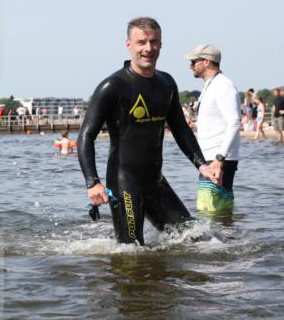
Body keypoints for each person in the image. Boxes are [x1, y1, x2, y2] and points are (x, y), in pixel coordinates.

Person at [77, 17, 218, 245]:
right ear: (128, 45)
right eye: (141, 42)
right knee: (131, 253)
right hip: (124, 183)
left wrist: (202, 164)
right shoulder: (113, 86)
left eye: (153, 42)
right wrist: (92, 182)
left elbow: (181, 128)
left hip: (156, 182)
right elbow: (86, 136)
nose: (148, 49)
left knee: (197, 239)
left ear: (161, 44)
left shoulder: (166, 83)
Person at [186, 45, 241, 214]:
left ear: (207, 61)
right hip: (209, 158)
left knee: (210, 211)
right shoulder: (210, 85)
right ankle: (230, 239)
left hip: (217, 159)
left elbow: (234, 122)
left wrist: (219, 159)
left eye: (194, 61)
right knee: (217, 213)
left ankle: (225, 240)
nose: (190, 65)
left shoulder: (223, 85)